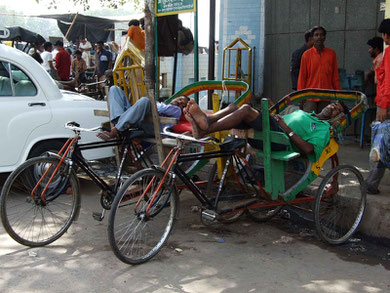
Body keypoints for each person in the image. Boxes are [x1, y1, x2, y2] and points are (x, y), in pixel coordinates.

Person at [184, 99, 348, 163]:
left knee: (246, 109)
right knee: (235, 107)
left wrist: (286, 128)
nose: (332, 107)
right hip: (273, 129)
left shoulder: (324, 129)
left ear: (337, 118)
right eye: (333, 104)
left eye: (336, 109)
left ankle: (205, 128)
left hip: (281, 139)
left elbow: (308, 149)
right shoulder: (307, 114)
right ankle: (205, 123)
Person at [97, 86, 189, 140]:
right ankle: (119, 124)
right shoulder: (164, 104)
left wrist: (143, 105)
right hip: (136, 121)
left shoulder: (177, 111)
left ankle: (116, 130)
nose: (180, 102)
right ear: (174, 97)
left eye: (183, 104)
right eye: (180, 99)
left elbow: (159, 108)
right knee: (114, 89)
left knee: (145, 101)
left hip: (150, 128)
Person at [365, 19, 390, 194]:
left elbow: (386, 81)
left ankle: (372, 183)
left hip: (386, 106)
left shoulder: (388, 54)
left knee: (379, 146)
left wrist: (383, 105)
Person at [297, 26, 341, 113]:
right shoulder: (306, 55)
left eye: (321, 35)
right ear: (312, 38)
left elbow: (335, 76)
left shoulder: (331, 54)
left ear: (325, 37)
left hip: (325, 97)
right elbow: (302, 77)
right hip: (310, 97)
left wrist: (339, 95)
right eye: (316, 35)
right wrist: (300, 97)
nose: (319, 37)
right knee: (310, 123)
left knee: (323, 123)